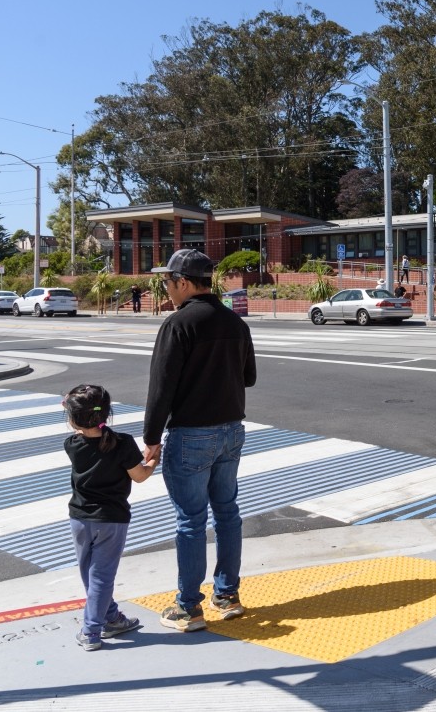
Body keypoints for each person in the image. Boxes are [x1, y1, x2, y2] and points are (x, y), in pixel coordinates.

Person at [144, 249, 257, 632]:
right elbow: (249, 377)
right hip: (231, 431)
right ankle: (227, 595)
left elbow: (161, 388)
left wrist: (151, 438)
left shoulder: (179, 324)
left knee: (191, 521)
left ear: (185, 283)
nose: (166, 289)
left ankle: (188, 607)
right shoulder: (235, 323)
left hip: (191, 433)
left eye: (168, 282)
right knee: (227, 513)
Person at [63, 383, 157, 650]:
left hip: (80, 518)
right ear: (107, 413)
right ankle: (92, 631)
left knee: (89, 572)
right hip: (112, 520)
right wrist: (152, 460)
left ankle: (111, 617)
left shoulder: (71, 444)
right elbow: (139, 476)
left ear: (72, 420)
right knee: (101, 576)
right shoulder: (123, 443)